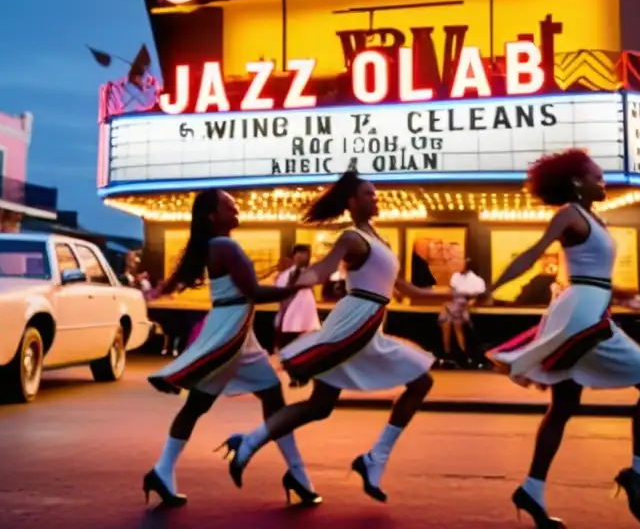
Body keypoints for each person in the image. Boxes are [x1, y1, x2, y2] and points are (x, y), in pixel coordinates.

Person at [220, 170, 453, 503]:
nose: (376, 198)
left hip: (370, 323)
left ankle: (250, 442)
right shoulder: (351, 237)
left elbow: (406, 289)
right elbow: (324, 268)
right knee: (420, 382)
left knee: (320, 406)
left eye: (375, 193)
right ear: (352, 202)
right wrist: (297, 280)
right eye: (369, 194)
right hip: (354, 324)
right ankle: (375, 459)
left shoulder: (379, 240)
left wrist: (453, 295)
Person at [485, 149, 640, 529]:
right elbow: (533, 254)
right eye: (598, 177)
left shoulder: (592, 218)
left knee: (564, 404)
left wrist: (624, 295)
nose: (603, 183)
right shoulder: (569, 214)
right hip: (583, 317)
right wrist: (490, 288)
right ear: (576, 182)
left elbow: (593, 274)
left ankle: (531, 491)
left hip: (588, 307)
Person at [142, 189, 320, 510]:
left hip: (237, 332)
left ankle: (298, 474)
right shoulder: (225, 245)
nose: (235, 207)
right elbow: (253, 291)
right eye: (228, 205)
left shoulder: (211, 246)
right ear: (212, 215)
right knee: (207, 404)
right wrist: (295, 287)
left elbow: (237, 287)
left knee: (251, 400)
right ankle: (162, 469)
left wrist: (157, 291)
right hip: (230, 334)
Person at [275, 244, 322, 386]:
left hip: (304, 319)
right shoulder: (285, 275)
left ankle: (302, 376)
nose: (301, 256)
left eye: (304, 253)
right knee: (287, 349)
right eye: (298, 253)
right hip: (287, 318)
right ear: (294, 255)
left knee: (304, 348)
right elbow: (278, 290)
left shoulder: (310, 273)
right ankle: (294, 376)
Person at [437, 258, 486, 367]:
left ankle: (464, 355)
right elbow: (450, 291)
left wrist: (470, 302)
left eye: (460, 264)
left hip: (464, 303)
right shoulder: (455, 276)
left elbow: (477, 297)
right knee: (445, 325)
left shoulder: (476, 280)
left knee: (457, 325)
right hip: (453, 302)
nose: (457, 265)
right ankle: (447, 355)